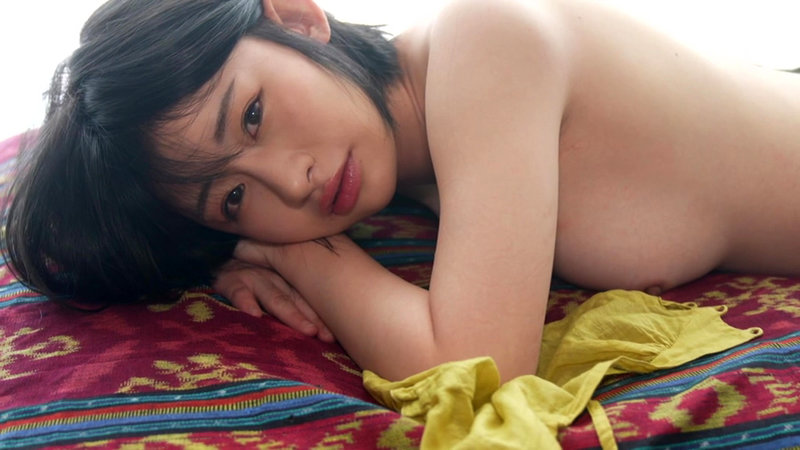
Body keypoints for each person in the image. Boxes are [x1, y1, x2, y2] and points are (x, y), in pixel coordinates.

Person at [5, 0, 800, 383]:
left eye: (252, 115)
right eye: (235, 199)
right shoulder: (414, 163)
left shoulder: (486, 40)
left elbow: (478, 366)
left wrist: (305, 258)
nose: (290, 181)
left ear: (295, 18)